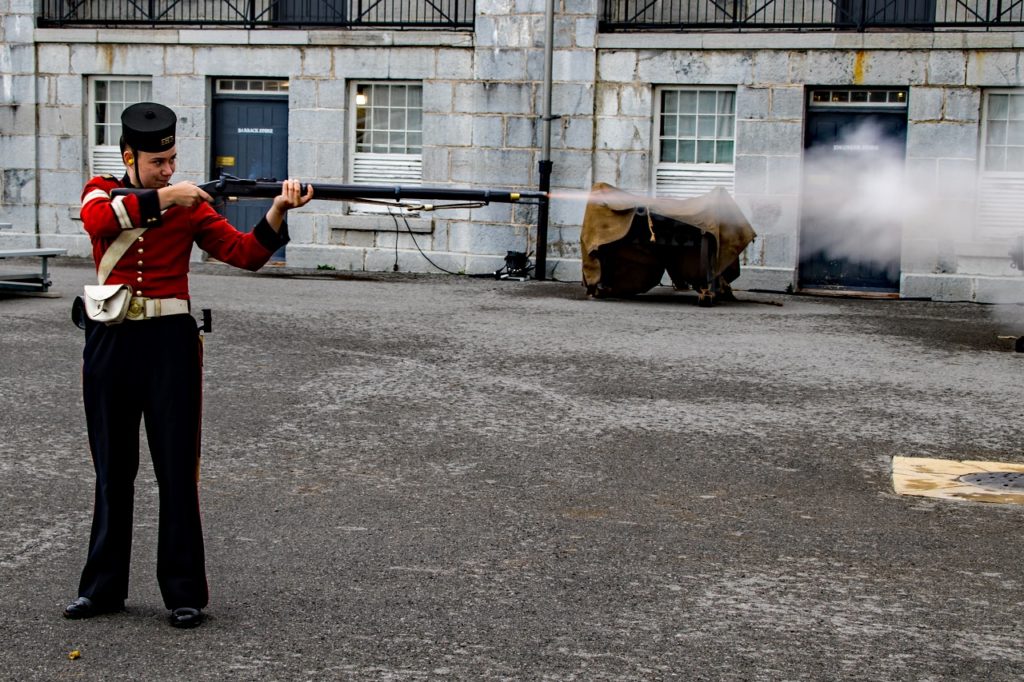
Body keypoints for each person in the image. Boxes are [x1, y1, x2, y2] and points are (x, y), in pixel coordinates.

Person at [63, 102, 313, 629]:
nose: (169, 170)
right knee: (113, 471)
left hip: (170, 345)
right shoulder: (100, 189)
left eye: (173, 161)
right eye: (158, 163)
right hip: (110, 340)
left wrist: (278, 212)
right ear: (129, 157)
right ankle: (101, 589)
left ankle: (184, 592)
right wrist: (166, 197)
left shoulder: (191, 206)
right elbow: (98, 218)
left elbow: (244, 253)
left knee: (177, 471)